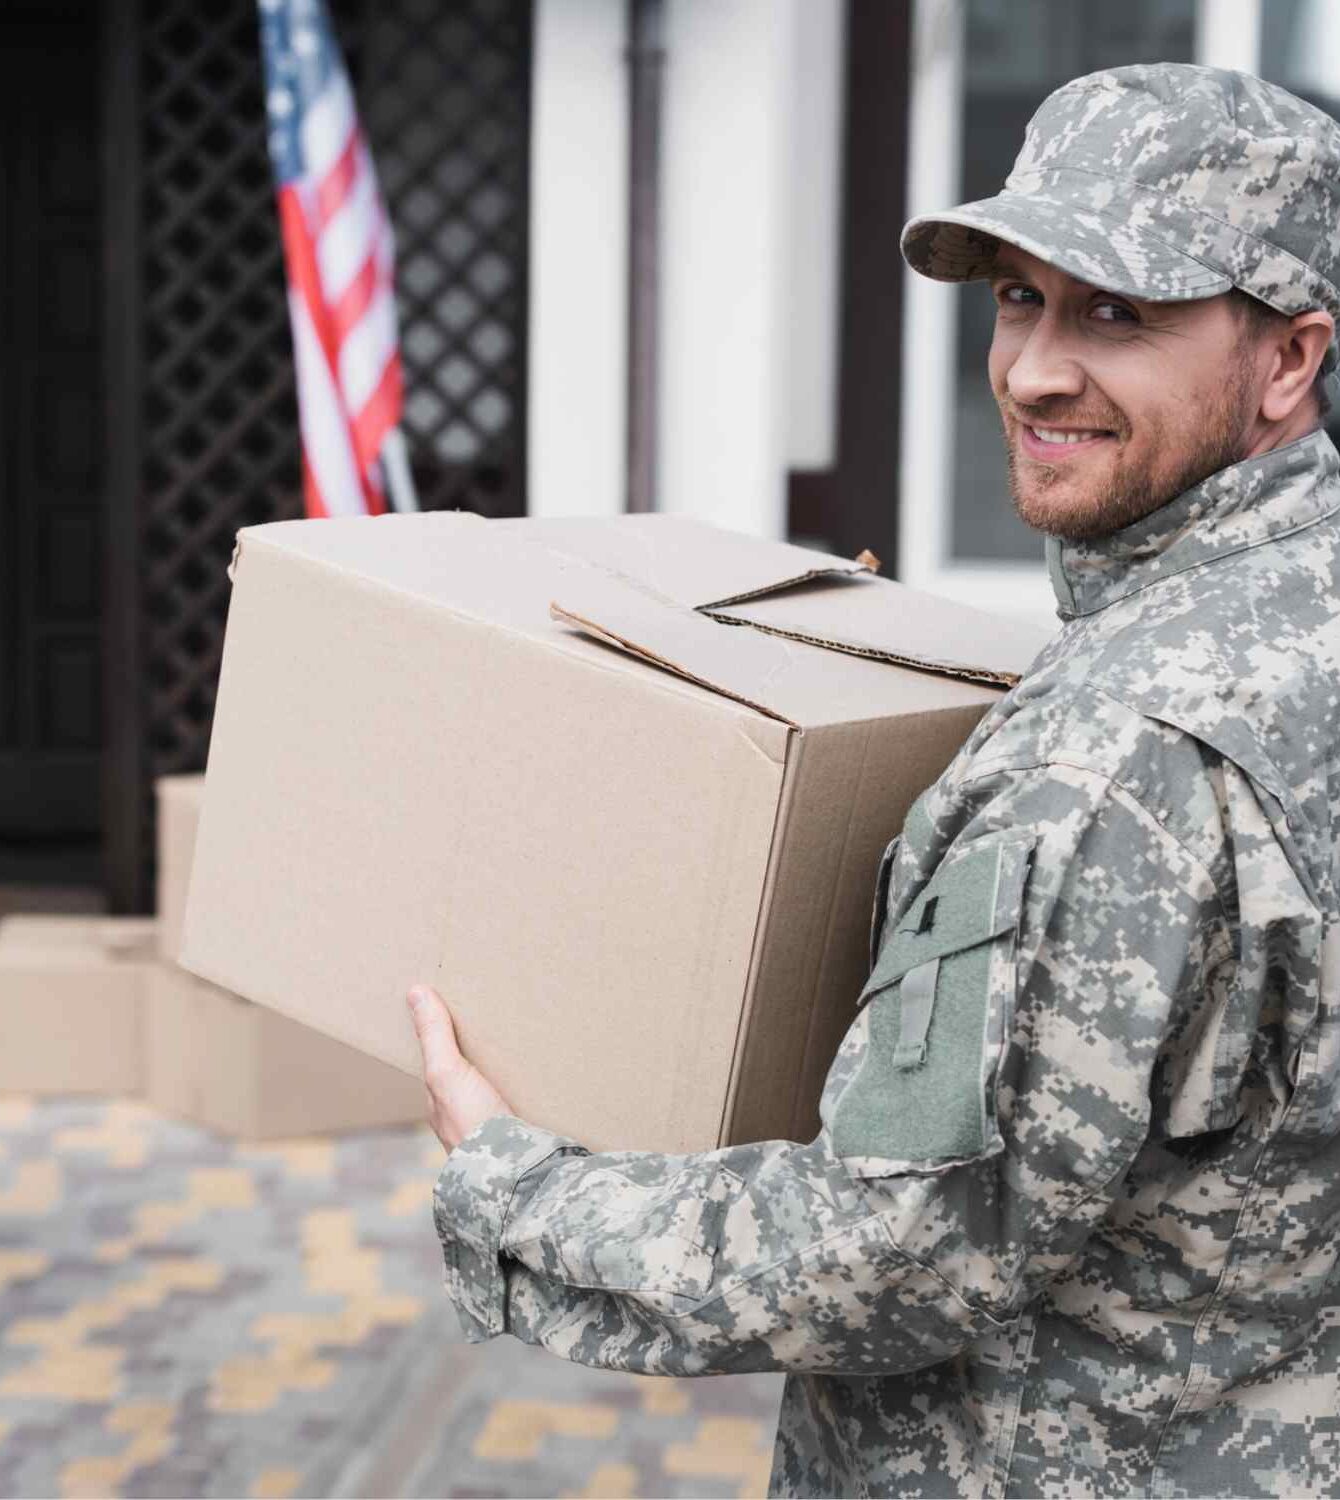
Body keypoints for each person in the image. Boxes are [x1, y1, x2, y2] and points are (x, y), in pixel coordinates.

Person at [403, 64, 1340, 1498]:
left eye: (1118, 312)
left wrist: (519, 1181)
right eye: (1019, 298)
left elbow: (898, 1246)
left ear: (1289, 360)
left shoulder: (1109, 757)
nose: (1032, 369)